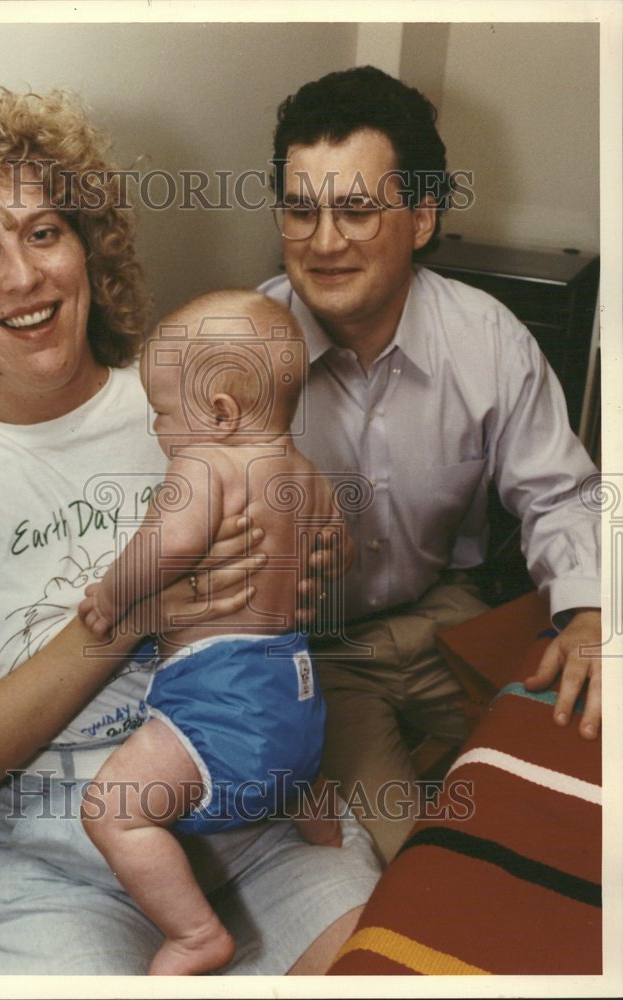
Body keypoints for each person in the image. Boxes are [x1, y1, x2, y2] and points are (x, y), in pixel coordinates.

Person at [0, 89, 381, 976]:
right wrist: (128, 618)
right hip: (51, 872)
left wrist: (316, 559)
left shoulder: (190, 394)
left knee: (400, 967)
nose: (21, 277)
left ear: (88, 248)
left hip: (260, 821)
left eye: (43, 233)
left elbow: (303, 551)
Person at [259, 65, 602, 862]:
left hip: (455, 612)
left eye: (355, 210)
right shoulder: (241, 353)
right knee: (418, 863)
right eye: (301, 211)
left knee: (576, 788)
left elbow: (563, 494)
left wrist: (589, 618)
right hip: (321, 653)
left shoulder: (488, 337)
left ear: (420, 217)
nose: (324, 242)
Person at [77, 289, 344, 975]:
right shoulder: (308, 478)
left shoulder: (205, 464)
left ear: (220, 413)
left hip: (223, 699)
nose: (161, 431)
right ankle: (331, 855)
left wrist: (113, 594)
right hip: (299, 695)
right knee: (301, 783)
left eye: (163, 413)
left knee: (113, 811)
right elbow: (331, 553)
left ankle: (196, 934)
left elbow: (166, 545)